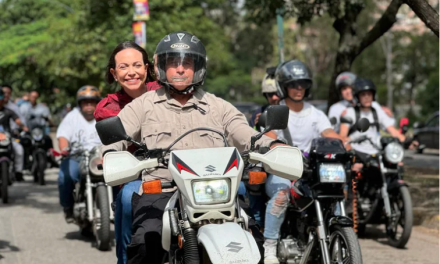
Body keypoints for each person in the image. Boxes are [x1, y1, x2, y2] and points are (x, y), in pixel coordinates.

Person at [101, 31, 284, 264]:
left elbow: (245, 133)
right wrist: (108, 153)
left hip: (218, 194)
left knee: (253, 241)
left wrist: (273, 144)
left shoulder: (218, 106)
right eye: (173, 63)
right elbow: (118, 134)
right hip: (163, 191)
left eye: (186, 63)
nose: (179, 69)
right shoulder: (143, 105)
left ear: (197, 68)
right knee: (147, 243)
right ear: (161, 68)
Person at [257, 60, 349, 264]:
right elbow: (269, 135)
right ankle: (270, 247)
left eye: (302, 84)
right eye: (293, 84)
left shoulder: (315, 114)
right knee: (281, 195)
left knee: (333, 190)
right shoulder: (275, 111)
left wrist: (346, 145)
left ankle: (331, 234)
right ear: (283, 86)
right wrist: (275, 146)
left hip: (310, 169)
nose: (299, 89)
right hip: (283, 168)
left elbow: (330, 134)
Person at [94, 41, 160, 264]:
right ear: (113, 73)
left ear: (147, 68)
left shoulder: (166, 91)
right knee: (127, 197)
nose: (131, 72)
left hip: (179, 167)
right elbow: (113, 145)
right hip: (136, 174)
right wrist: (110, 156)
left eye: (137, 65)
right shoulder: (109, 107)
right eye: (123, 67)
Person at [57, 86, 102, 223]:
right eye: (85, 102)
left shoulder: (104, 114)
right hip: (78, 156)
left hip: (101, 156)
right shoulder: (72, 116)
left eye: (92, 101)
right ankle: (68, 207)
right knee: (64, 176)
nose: (89, 105)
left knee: (119, 179)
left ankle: (116, 208)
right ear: (80, 103)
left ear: (97, 102)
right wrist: (64, 148)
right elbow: (63, 136)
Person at [339, 78, 414, 156]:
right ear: (357, 97)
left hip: (376, 153)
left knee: (398, 164)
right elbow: (342, 137)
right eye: (363, 95)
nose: (367, 97)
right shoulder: (350, 112)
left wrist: (407, 140)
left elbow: (393, 131)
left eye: (369, 94)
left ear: (373, 95)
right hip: (356, 153)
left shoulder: (377, 112)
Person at [328, 71, 395, 133]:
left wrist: (390, 116)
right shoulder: (336, 108)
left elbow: (388, 128)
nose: (348, 91)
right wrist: (341, 120)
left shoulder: (373, 105)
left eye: (351, 87)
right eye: (344, 89)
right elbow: (332, 131)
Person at [0, 89, 28, 182]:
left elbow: (18, 120)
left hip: (7, 138)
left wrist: (23, 127)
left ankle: (18, 172)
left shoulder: (8, 111)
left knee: (19, 150)